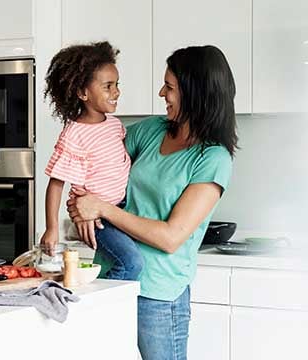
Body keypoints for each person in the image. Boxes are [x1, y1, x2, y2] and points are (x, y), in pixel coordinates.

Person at [67, 45, 239, 359]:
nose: (162, 93)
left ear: (195, 93)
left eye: (170, 87)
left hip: (159, 296)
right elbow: (95, 160)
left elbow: (170, 237)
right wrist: (79, 202)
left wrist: (100, 208)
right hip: (112, 279)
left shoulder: (213, 158)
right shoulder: (150, 130)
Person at [39, 41, 143, 280]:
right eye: (108, 86)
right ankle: (105, 299)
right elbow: (56, 183)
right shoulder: (74, 134)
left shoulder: (115, 125)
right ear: (83, 93)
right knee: (132, 263)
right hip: (99, 221)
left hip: (122, 209)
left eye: (117, 85)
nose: (116, 92)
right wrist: (52, 228)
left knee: (131, 259)